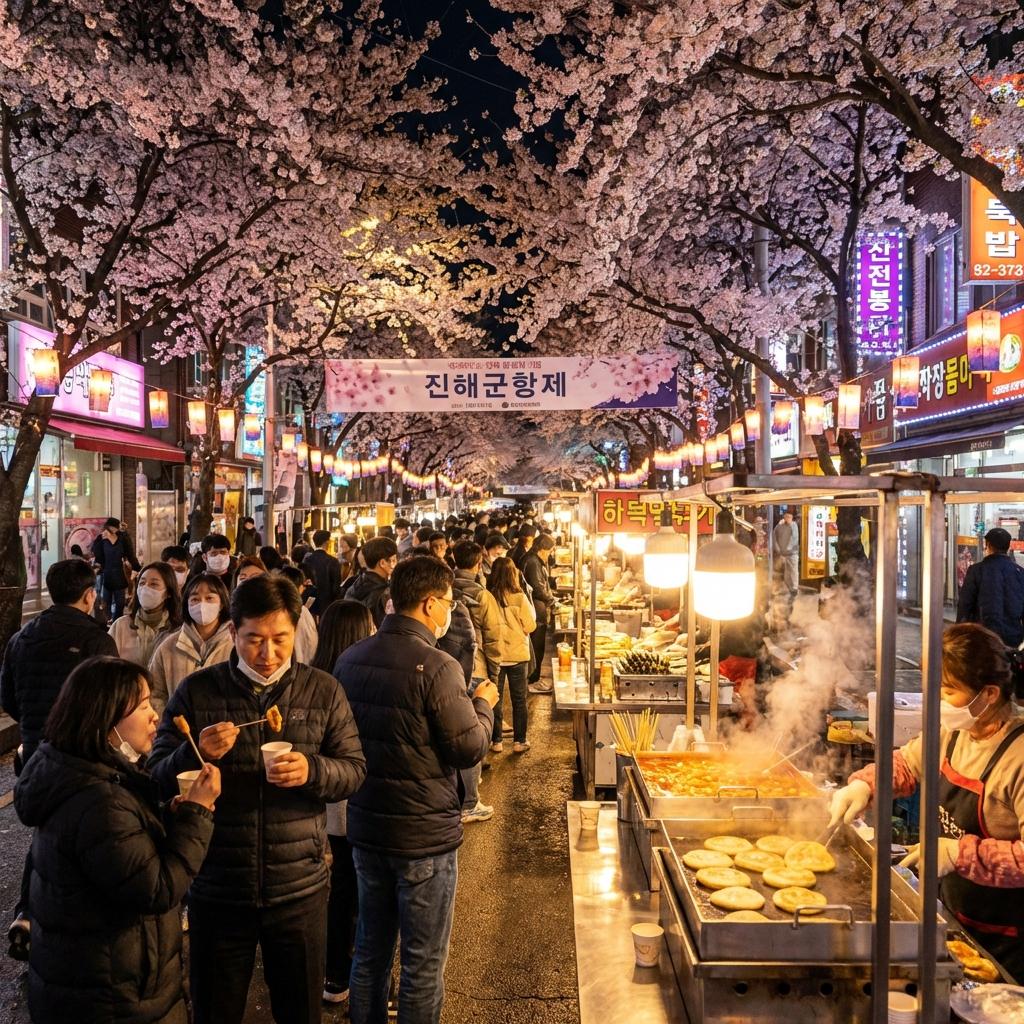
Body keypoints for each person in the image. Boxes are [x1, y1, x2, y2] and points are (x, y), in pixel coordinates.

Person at [149, 575, 366, 1024]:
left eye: (280, 640)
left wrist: (314, 770)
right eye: (254, 640)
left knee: (300, 1010)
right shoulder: (198, 691)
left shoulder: (323, 690)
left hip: (299, 888)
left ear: (296, 632)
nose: (267, 654)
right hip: (217, 885)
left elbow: (354, 770)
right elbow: (155, 775)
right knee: (215, 1009)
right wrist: (195, 753)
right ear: (233, 632)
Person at [335, 556, 498, 1024]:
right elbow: (467, 748)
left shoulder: (351, 658)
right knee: (423, 963)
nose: (449, 611)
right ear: (429, 604)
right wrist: (483, 706)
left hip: (366, 827)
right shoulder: (439, 666)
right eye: (447, 602)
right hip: (423, 838)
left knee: (369, 951)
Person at [13, 657, 219, 1024]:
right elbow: (156, 888)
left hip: (91, 980)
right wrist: (198, 814)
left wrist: (169, 814)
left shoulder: (80, 771)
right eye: (141, 706)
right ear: (105, 719)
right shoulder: (98, 801)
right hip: (111, 996)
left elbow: (122, 854)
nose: (155, 715)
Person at [829, 624, 1024, 981]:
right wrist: (865, 786)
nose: (937, 699)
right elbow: (906, 764)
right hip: (954, 915)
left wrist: (959, 854)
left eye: (947, 690)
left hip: (1009, 938)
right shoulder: (952, 732)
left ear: (989, 694)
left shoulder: (1018, 757)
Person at [1, 558, 119, 958]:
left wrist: (35, 725)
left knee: (48, 830)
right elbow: (112, 701)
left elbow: (8, 699)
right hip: (86, 751)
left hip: (37, 750)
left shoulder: (21, 638)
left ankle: (28, 912)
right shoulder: (96, 638)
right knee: (81, 833)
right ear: (89, 595)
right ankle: (56, 918)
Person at [311, 600, 376, 1005]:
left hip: (325, 808)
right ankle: (360, 978)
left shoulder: (314, 677)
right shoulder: (362, 679)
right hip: (358, 804)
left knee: (337, 895)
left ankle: (334, 974)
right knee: (363, 896)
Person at [148, 573, 233, 717]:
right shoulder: (169, 646)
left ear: (222, 604)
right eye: (195, 599)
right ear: (186, 604)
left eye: (209, 598)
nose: (202, 604)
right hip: (179, 733)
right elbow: (155, 693)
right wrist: (169, 723)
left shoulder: (235, 645)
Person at [488, 556, 536, 755]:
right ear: (512, 574)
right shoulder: (520, 597)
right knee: (519, 700)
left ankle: (496, 741)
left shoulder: (488, 596)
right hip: (517, 655)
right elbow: (531, 625)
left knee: (495, 700)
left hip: (496, 655)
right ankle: (519, 741)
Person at [956, 527, 1024, 649]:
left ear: (988, 545)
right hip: (1013, 639)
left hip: (983, 638)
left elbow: (965, 605)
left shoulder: (976, 571)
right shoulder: (1020, 572)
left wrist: (959, 636)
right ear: (1008, 547)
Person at [109, 561, 182, 668]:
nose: (145, 588)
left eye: (154, 584)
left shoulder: (177, 629)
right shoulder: (121, 625)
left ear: (168, 592)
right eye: (142, 583)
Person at [522, 533, 555, 693]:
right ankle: (533, 681)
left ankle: (534, 678)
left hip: (537, 610)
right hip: (535, 610)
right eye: (549, 551)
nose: (549, 554)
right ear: (542, 549)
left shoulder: (533, 560)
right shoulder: (533, 562)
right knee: (536, 647)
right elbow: (538, 588)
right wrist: (552, 601)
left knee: (538, 646)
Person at [91, 517, 141, 622]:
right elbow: (97, 554)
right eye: (111, 527)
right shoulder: (101, 539)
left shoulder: (122, 538)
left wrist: (136, 567)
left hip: (120, 574)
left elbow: (130, 554)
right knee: (105, 601)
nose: (113, 530)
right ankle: (107, 621)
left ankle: (116, 621)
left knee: (120, 602)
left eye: (115, 528)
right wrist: (101, 541)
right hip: (107, 574)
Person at [346, 537, 399, 627]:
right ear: (382, 563)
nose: (396, 563)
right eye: (393, 559)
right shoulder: (385, 593)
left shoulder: (354, 585)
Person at [304, 529, 342, 617]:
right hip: (328, 605)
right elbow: (336, 587)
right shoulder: (333, 561)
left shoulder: (307, 560)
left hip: (310, 605)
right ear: (327, 542)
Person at [772, 509, 800, 595]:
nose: (788, 518)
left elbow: (794, 539)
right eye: (786, 516)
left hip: (792, 553)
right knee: (786, 573)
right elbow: (774, 537)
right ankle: (789, 587)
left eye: (790, 517)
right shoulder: (779, 526)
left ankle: (794, 588)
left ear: (792, 518)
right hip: (782, 553)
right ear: (784, 517)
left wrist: (787, 549)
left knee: (793, 571)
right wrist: (778, 549)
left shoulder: (794, 525)